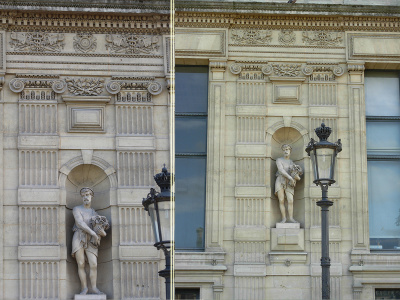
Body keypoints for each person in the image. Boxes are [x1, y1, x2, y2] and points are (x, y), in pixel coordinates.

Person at [72, 187, 106, 295]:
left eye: (87, 195)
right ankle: (84, 288)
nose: (85, 197)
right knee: (81, 263)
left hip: (92, 240)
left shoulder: (95, 214)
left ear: (91, 196)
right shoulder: (76, 209)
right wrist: (93, 233)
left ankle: (94, 288)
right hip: (79, 236)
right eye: (83, 195)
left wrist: (102, 233)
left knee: (93, 264)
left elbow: (102, 231)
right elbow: (80, 223)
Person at [275, 144, 302, 223]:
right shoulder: (279, 160)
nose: (286, 151)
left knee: (290, 200)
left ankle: (290, 218)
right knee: (281, 200)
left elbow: (295, 174)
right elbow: (281, 170)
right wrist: (290, 177)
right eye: (284, 150)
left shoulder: (291, 163)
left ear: (290, 151)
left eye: (287, 149)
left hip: (289, 182)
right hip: (280, 180)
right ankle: (283, 218)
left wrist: (296, 177)